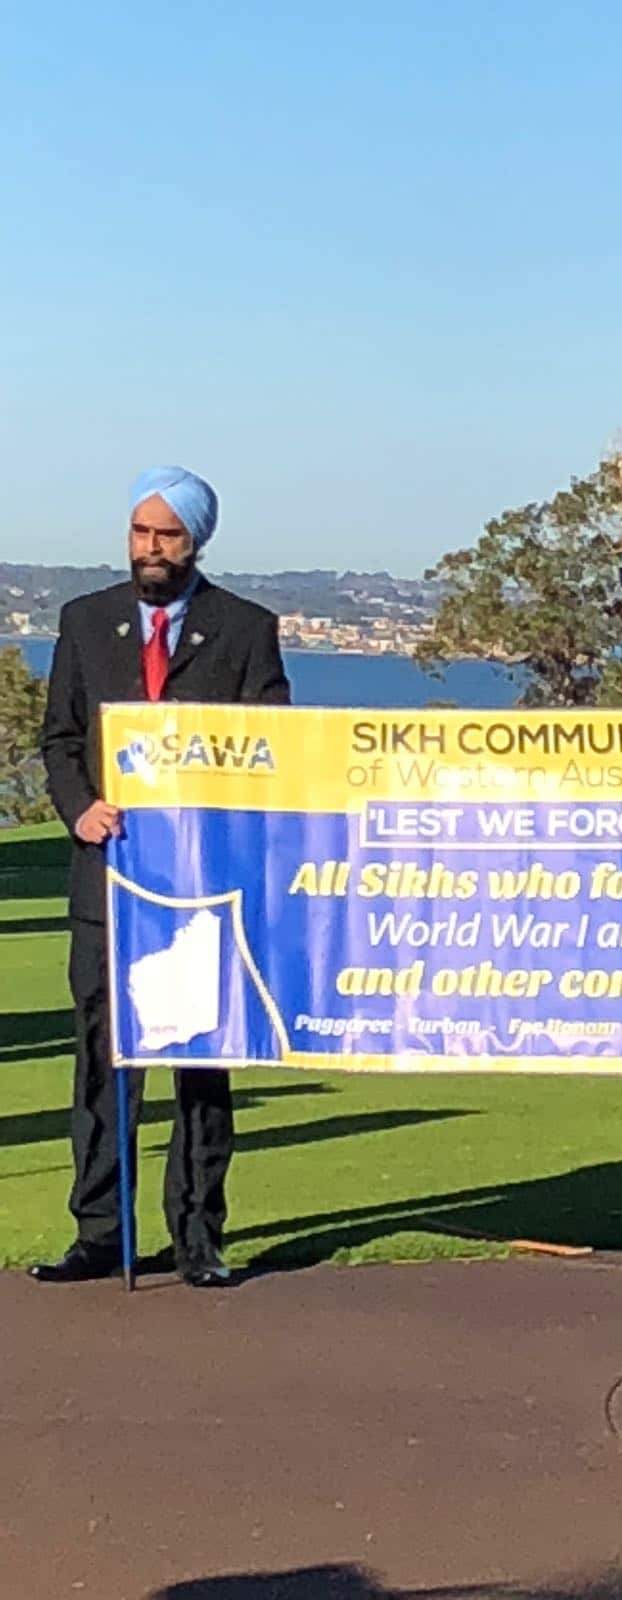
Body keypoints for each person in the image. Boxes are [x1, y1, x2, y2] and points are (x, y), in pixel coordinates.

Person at [33, 466, 290, 1288]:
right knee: (102, 1065)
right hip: (106, 886)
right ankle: (100, 1232)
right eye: (141, 532)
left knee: (202, 1067)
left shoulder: (246, 629)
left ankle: (197, 1237)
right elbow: (60, 739)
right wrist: (80, 810)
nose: (150, 548)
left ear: (196, 542)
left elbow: (270, 751)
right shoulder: (84, 621)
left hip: (202, 891)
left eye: (167, 535)